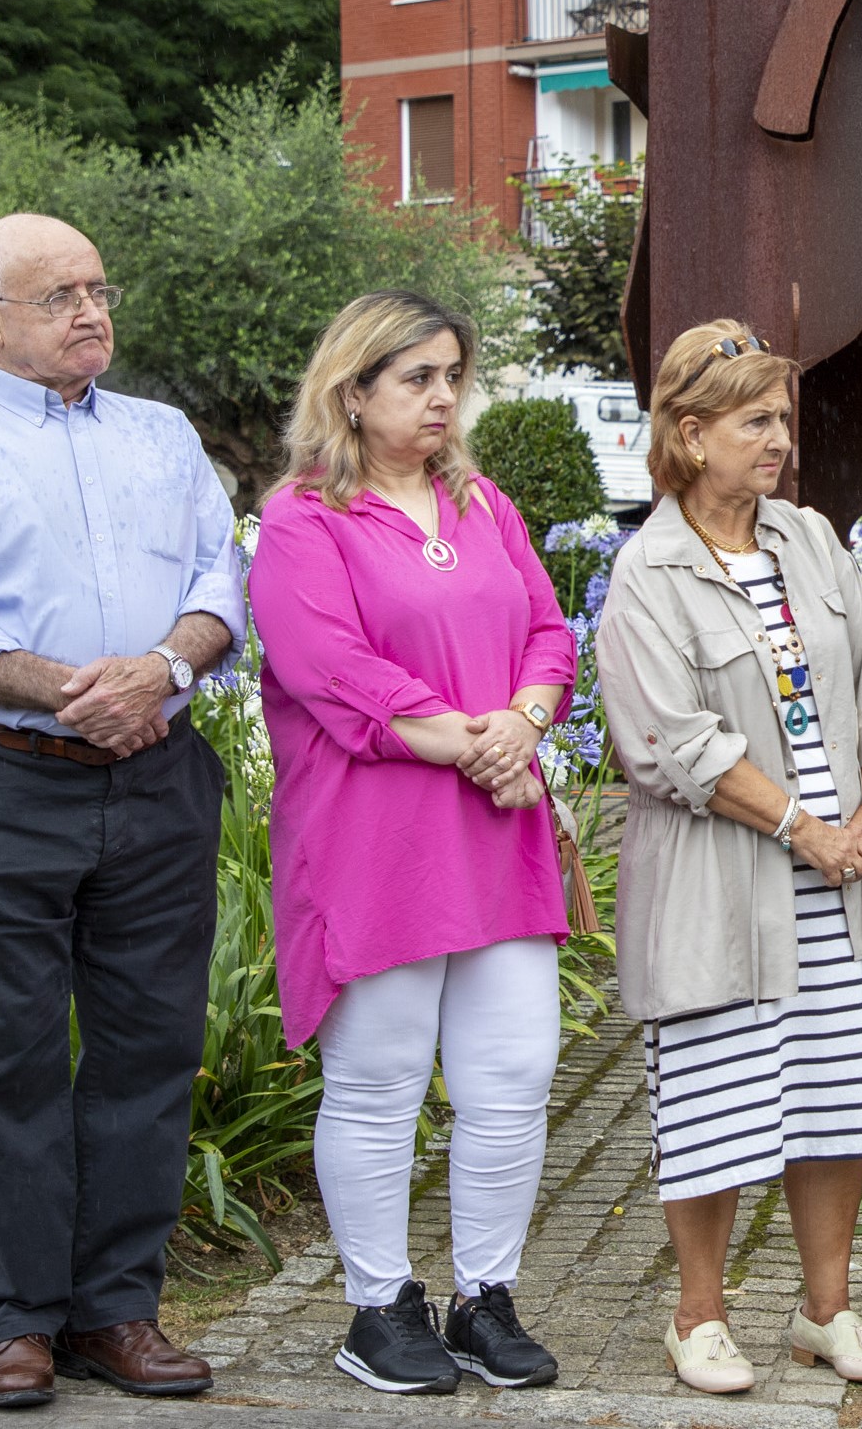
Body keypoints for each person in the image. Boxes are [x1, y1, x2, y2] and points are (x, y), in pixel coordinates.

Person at [0, 215, 241, 1410]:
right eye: (58, 295)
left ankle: (117, 1311)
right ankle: (16, 1320)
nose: (91, 311)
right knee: (8, 1058)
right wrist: (82, 693)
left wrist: (163, 670)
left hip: (156, 780)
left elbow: (215, 580)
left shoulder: (164, 434)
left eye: (97, 288)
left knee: (148, 1049)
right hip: (0, 782)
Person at [246, 291, 578, 1396]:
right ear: (353, 391)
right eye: (415, 378)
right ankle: (379, 1305)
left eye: (451, 377)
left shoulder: (482, 501)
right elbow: (327, 667)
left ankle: (485, 1297)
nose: (442, 397)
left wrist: (522, 721)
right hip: (376, 838)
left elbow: (547, 628)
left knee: (514, 1073)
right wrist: (471, 739)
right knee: (381, 1077)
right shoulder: (304, 517)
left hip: (497, 829)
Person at [594, 319, 862, 1394]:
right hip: (726, 886)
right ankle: (699, 1318)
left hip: (845, 880)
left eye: (782, 418)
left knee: (837, 1092)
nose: (780, 438)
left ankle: (827, 1311)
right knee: (718, 1099)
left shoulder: (809, 540)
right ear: (689, 434)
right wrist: (806, 827)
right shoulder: (649, 570)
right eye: (755, 420)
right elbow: (671, 742)